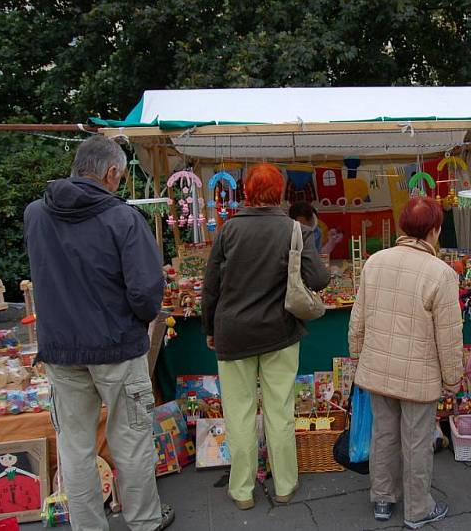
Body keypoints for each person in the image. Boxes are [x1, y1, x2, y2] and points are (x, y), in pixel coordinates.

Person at [24, 136, 173, 531]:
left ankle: (89, 526)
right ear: (111, 173)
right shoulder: (123, 218)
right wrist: (140, 318)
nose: (120, 185)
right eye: (121, 178)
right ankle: (143, 521)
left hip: (61, 349)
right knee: (132, 439)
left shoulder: (36, 215)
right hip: (116, 346)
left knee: (75, 447)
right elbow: (145, 292)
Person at [202, 163, 330, 509]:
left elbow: (210, 287)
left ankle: (242, 491)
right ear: (280, 192)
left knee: (239, 414)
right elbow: (318, 280)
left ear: (246, 191)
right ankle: (285, 485)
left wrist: (209, 329)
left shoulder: (228, 230)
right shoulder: (294, 230)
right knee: (280, 411)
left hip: (233, 333)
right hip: (280, 332)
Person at [348, 197, 464, 529]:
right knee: (416, 442)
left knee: (383, 434)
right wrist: (453, 378)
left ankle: (382, 499)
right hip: (419, 376)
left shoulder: (375, 262)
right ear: (435, 229)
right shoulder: (441, 274)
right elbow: (449, 335)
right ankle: (417, 509)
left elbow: (357, 321)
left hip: (377, 369)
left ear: (402, 226)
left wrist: (358, 358)